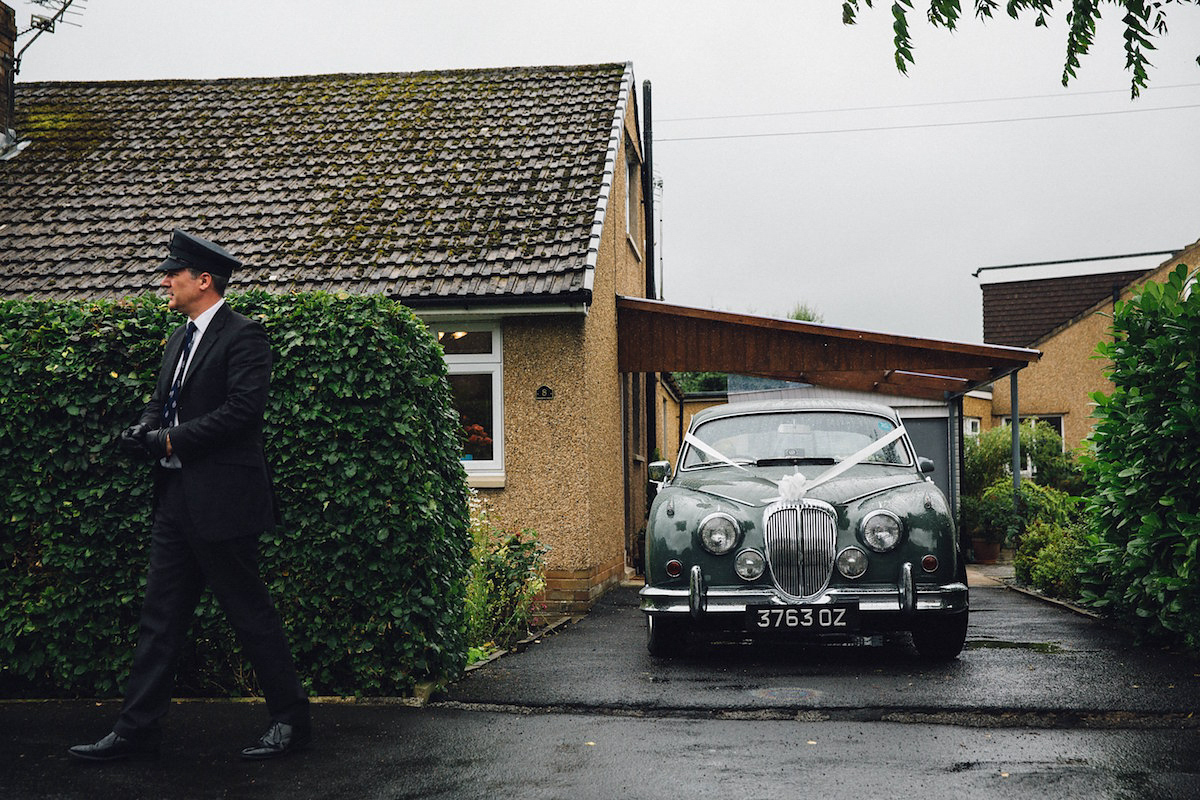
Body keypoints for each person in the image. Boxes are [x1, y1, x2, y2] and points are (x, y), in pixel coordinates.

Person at [69, 230, 311, 762]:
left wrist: (170, 439)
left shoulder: (245, 337)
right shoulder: (178, 338)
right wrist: (144, 431)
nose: (165, 282)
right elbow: (163, 403)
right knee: (160, 618)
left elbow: (241, 413)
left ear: (203, 280)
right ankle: (137, 731)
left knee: (250, 613)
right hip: (176, 498)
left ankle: (292, 722)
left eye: (173, 274)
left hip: (224, 500)